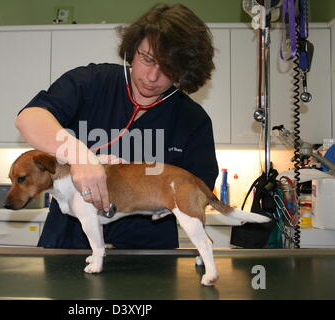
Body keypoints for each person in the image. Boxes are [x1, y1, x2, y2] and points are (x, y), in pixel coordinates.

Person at [15, 3, 219, 249]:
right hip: (70, 247)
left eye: (168, 68)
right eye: (147, 58)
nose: (153, 76)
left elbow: (199, 192)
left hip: (148, 256)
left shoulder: (192, 120)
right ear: (133, 49)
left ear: (185, 72)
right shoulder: (91, 83)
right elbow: (29, 118)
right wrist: (81, 158)